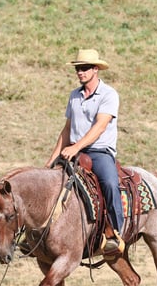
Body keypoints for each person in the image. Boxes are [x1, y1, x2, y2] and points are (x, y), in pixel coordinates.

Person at [45, 48, 125, 256]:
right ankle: (40, 231)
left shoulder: (109, 95)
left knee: (109, 182)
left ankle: (115, 233)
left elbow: (99, 127)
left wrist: (76, 147)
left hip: (98, 152)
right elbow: (67, 129)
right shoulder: (74, 96)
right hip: (73, 151)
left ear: (96, 69)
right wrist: (52, 158)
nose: (80, 72)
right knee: (48, 183)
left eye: (85, 68)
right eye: (78, 69)